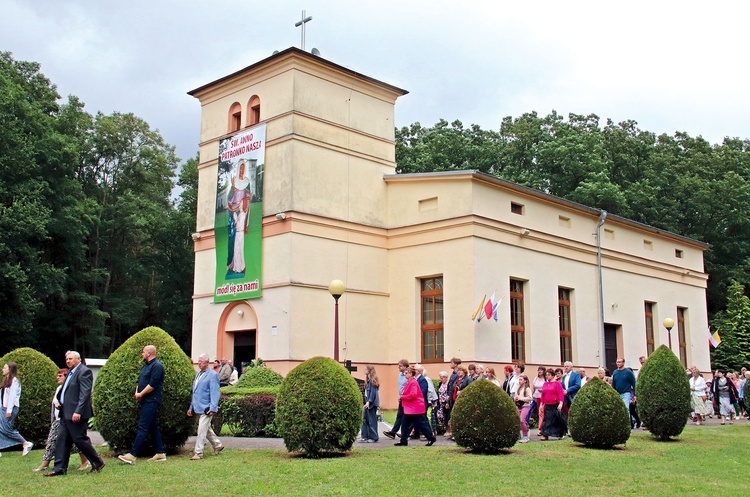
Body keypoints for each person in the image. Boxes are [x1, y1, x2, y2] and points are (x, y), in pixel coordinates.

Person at [44, 352, 105, 476]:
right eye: (66, 359)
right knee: (62, 440)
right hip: (65, 412)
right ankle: (59, 468)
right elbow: (67, 390)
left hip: (76, 414)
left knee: (79, 439)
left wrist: (78, 411)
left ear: (78, 359)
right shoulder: (71, 372)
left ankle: (97, 462)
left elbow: (84, 394)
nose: (68, 361)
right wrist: (61, 402)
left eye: (70, 359)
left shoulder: (84, 372)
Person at [118, 345, 166, 464]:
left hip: (152, 400)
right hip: (145, 399)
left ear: (149, 353)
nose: (142, 354)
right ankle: (160, 453)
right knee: (152, 427)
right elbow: (141, 381)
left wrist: (141, 394)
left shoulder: (157, 366)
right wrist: (137, 392)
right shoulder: (146, 366)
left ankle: (132, 455)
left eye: (143, 352)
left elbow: (153, 384)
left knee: (143, 426)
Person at [34, 369, 89, 472]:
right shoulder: (59, 388)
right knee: (56, 441)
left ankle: (86, 461)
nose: (57, 378)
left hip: (67, 419)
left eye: (60, 376)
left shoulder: (72, 388)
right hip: (59, 420)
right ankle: (46, 463)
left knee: (70, 441)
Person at [188, 354, 224, 459]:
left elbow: (215, 392)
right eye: (198, 361)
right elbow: (195, 392)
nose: (199, 363)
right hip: (198, 406)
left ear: (207, 363)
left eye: (201, 361)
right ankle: (217, 445)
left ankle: (198, 452)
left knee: (201, 430)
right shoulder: (198, 374)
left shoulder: (212, 375)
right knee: (206, 428)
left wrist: (213, 408)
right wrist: (191, 407)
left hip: (207, 408)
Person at [393, 367, 436, 447]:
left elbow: (413, 394)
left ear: (411, 374)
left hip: (415, 408)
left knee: (422, 424)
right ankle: (403, 440)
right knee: (405, 423)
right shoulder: (410, 382)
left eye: (407, 373)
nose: (405, 374)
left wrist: (403, 397)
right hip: (411, 408)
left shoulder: (413, 382)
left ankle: (430, 438)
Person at [0, 362, 34, 457]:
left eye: (5, 368)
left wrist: (9, 410)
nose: (3, 369)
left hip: (9, 408)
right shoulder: (6, 380)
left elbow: (12, 396)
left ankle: (25, 443)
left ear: (10, 369)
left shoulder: (14, 381)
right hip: (3, 407)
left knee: (6, 429)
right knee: (1, 428)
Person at [227, 160, 252, 274]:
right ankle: (231, 263)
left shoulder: (247, 182)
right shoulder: (234, 182)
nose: (242, 171)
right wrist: (232, 187)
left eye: (243, 169)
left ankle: (240, 264)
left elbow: (248, 197)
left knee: (240, 243)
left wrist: (246, 202)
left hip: (243, 212)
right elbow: (229, 197)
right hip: (233, 211)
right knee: (232, 238)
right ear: (238, 170)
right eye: (240, 169)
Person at [382, 359, 409, 439]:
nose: (398, 367)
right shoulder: (400, 375)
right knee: (400, 416)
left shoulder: (408, 375)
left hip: (406, 398)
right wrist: (399, 395)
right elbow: (400, 387)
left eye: (400, 366)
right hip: (401, 398)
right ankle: (393, 432)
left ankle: (406, 433)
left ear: (405, 366)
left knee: (406, 417)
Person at [539, 368, 566, 440]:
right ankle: (545, 435)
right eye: (546, 375)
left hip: (555, 404)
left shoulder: (557, 384)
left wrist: (560, 403)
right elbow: (543, 395)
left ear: (553, 375)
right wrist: (541, 404)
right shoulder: (545, 384)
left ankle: (560, 434)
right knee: (547, 420)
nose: (547, 376)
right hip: (547, 404)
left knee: (557, 420)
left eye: (548, 375)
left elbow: (560, 394)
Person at [359, 365, 380, 443]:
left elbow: (373, 393)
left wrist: (369, 402)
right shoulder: (368, 380)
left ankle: (374, 437)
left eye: (366, 369)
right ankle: (365, 436)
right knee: (365, 419)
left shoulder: (372, 381)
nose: (364, 370)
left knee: (371, 420)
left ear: (369, 371)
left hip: (371, 404)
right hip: (367, 402)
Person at [514, 374, 533, 442]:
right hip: (519, 406)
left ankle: (525, 436)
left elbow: (530, 398)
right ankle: (520, 434)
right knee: (518, 421)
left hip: (525, 406)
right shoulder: (518, 389)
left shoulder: (527, 389)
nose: (520, 381)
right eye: (519, 380)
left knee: (522, 420)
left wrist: (521, 398)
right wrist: (516, 398)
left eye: (521, 380)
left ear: (525, 381)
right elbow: (516, 396)